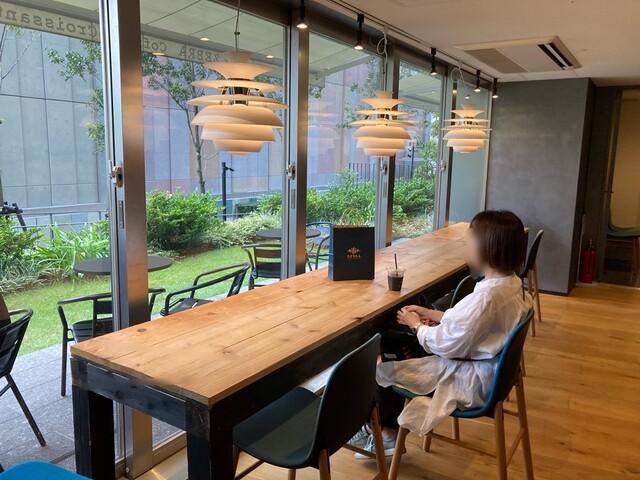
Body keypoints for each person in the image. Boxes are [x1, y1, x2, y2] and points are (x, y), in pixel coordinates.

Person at [351, 210, 532, 457]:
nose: (466, 246)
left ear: (487, 248)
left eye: (470, 241)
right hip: (495, 372)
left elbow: (446, 344)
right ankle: (381, 428)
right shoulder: (511, 284)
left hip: (473, 380)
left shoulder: (487, 298)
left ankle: (385, 432)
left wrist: (417, 325)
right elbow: (471, 323)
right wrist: (431, 313)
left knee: (384, 369)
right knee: (404, 351)